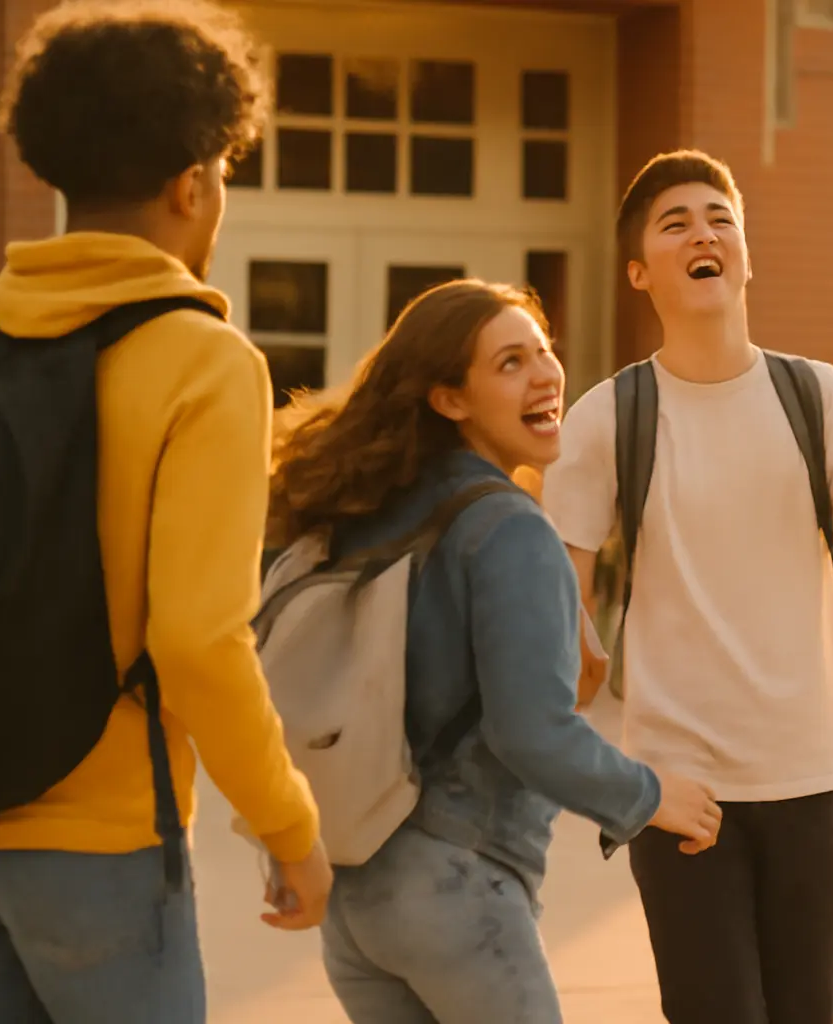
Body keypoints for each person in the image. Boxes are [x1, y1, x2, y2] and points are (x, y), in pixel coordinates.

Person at [542, 149, 833, 1024]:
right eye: (676, 223)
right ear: (640, 272)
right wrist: (622, 781)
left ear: (746, 253)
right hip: (679, 792)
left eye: (720, 217)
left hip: (811, 777)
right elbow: (561, 634)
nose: (704, 232)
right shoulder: (606, 416)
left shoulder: (812, 392)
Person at [0, 2, 329, 1021]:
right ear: (194, 180)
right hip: (104, 845)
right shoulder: (204, 362)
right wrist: (288, 826)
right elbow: (198, 640)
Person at [268, 278, 723, 1024]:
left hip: (358, 899)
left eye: (544, 351)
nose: (546, 374)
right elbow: (532, 734)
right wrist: (652, 796)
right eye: (510, 363)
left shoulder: (364, 513)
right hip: (456, 889)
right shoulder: (508, 527)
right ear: (450, 399)